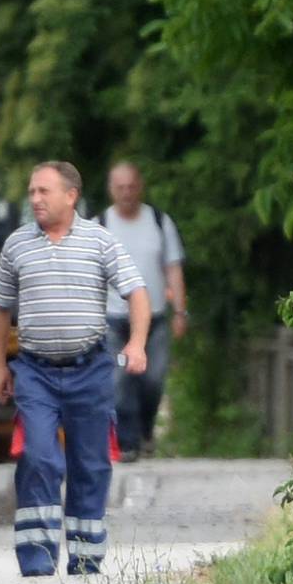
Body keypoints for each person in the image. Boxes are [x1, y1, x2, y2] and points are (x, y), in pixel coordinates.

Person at [0, 162, 147, 578]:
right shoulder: (17, 245)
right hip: (35, 372)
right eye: (32, 191)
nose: (35, 199)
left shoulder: (99, 241)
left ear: (70, 196)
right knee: (39, 456)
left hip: (90, 370)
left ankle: (86, 555)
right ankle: (37, 556)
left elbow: (137, 292)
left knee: (91, 463)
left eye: (44, 191)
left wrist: (136, 343)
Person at [96, 162, 187, 461]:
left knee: (154, 379)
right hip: (114, 320)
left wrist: (180, 312)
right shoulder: (99, 226)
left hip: (156, 318)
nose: (126, 193)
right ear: (111, 189)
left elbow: (172, 268)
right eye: (120, 187)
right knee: (119, 379)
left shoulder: (159, 222)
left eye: (131, 186)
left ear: (140, 186)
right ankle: (128, 442)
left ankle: (146, 430)